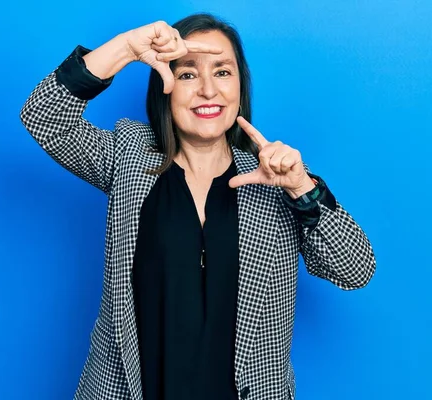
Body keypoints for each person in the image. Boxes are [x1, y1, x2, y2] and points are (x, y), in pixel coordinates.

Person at [20, 13, 375, 400]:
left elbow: (354, 270)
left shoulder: (278, 178)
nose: (208, 89)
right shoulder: (128, 155)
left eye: (223, 72)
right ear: (166, 86)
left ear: (241, 86)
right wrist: (125, 47)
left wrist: (302, 189)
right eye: (188, 74)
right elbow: (44, 117)